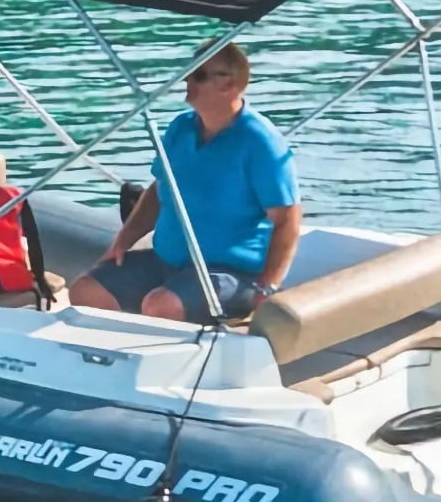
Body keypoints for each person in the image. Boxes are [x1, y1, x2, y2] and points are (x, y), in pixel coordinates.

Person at [71, 43, 296, 321]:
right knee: (86, 290)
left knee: (161, 305)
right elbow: (159, 190)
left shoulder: (261, 142)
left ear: (232, 84)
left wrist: (268, 286)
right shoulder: (180, 128)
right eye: (189, 72)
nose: (188, 80)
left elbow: (287, 219)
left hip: (231, 273)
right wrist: (124, 240)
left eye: (199, 75)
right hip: (166, 262)